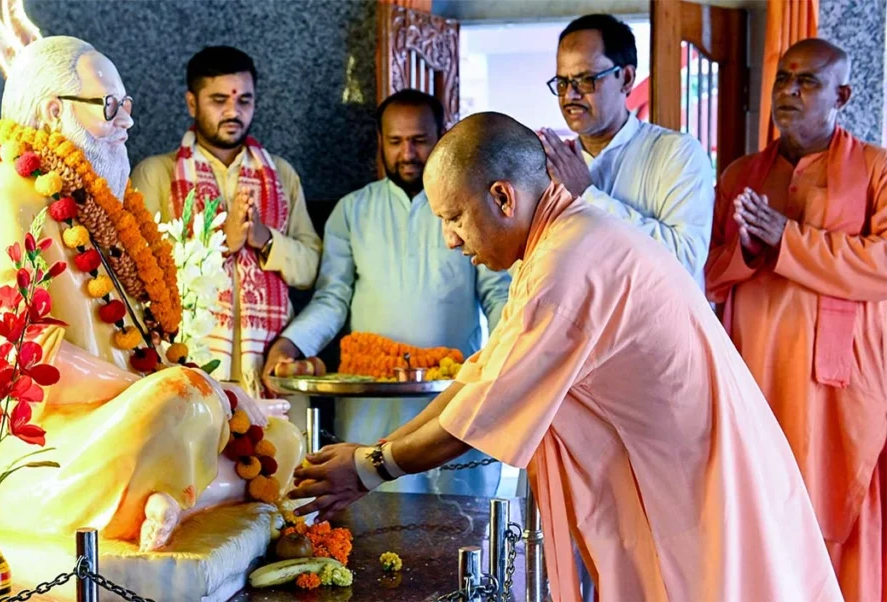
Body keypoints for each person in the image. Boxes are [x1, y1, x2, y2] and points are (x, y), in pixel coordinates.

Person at [290, 112, 844, 602]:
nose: (450, 240)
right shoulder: (559, 242)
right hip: (682, 474)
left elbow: (484, 410)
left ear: (503, 197)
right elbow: (480, 377)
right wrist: (371, 457)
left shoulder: (565, 264)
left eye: (454, 217)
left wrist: (373, 466)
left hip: (699, 485)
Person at [0, 36, 303, 553]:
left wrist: (204, 391)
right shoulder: (6, 198)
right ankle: (162, 491)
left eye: (126, 105)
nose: (127, 121)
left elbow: (138, 344)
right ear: (54, 112)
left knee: (282, 443)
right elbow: (23, 362)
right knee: (186, 398)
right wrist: (171, 390)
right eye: (109, 106)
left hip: (129, 415)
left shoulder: (91, 204)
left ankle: (166, 494)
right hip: (53, 442)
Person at [705, 38, 886, 602]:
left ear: (842, 95)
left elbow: (882, 265)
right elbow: (708, 271)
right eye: (784, 78)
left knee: (840, 508)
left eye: (807, 81)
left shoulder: (876, 169)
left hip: (839, 381)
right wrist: (748, 249)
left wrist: (788, 239)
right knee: (760, 502)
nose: (789, 91)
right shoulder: (741, 174)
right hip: (757, 368)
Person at [264, 90, 511, 496]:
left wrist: (510, 356)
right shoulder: (352, 211)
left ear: (442, 136)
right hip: (371, 403)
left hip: (450, 395)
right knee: (372, 516)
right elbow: (332, 298)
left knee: (459, 516)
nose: (407, 153)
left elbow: (498, 294)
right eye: (395, 141)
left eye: (419, 140)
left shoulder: (470, 207)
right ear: (380, 141)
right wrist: (291, 344)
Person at [132, 45, 320, 397]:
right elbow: (139, 273)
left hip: (267, 371)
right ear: (192, 103)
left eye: (245, 100)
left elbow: (310, 267)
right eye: (219, 100)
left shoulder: (280, 175)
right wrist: (219, 243)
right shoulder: (158, 174)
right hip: (183, 368)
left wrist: (266, 240)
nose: (234, 111)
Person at [539, 13, 713, 288]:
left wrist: (586, 196)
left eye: (586, 80)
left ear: (627, 78)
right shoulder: (554, 165)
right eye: (562, 83)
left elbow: (684, 259)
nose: (570, 95)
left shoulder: (677, 154)